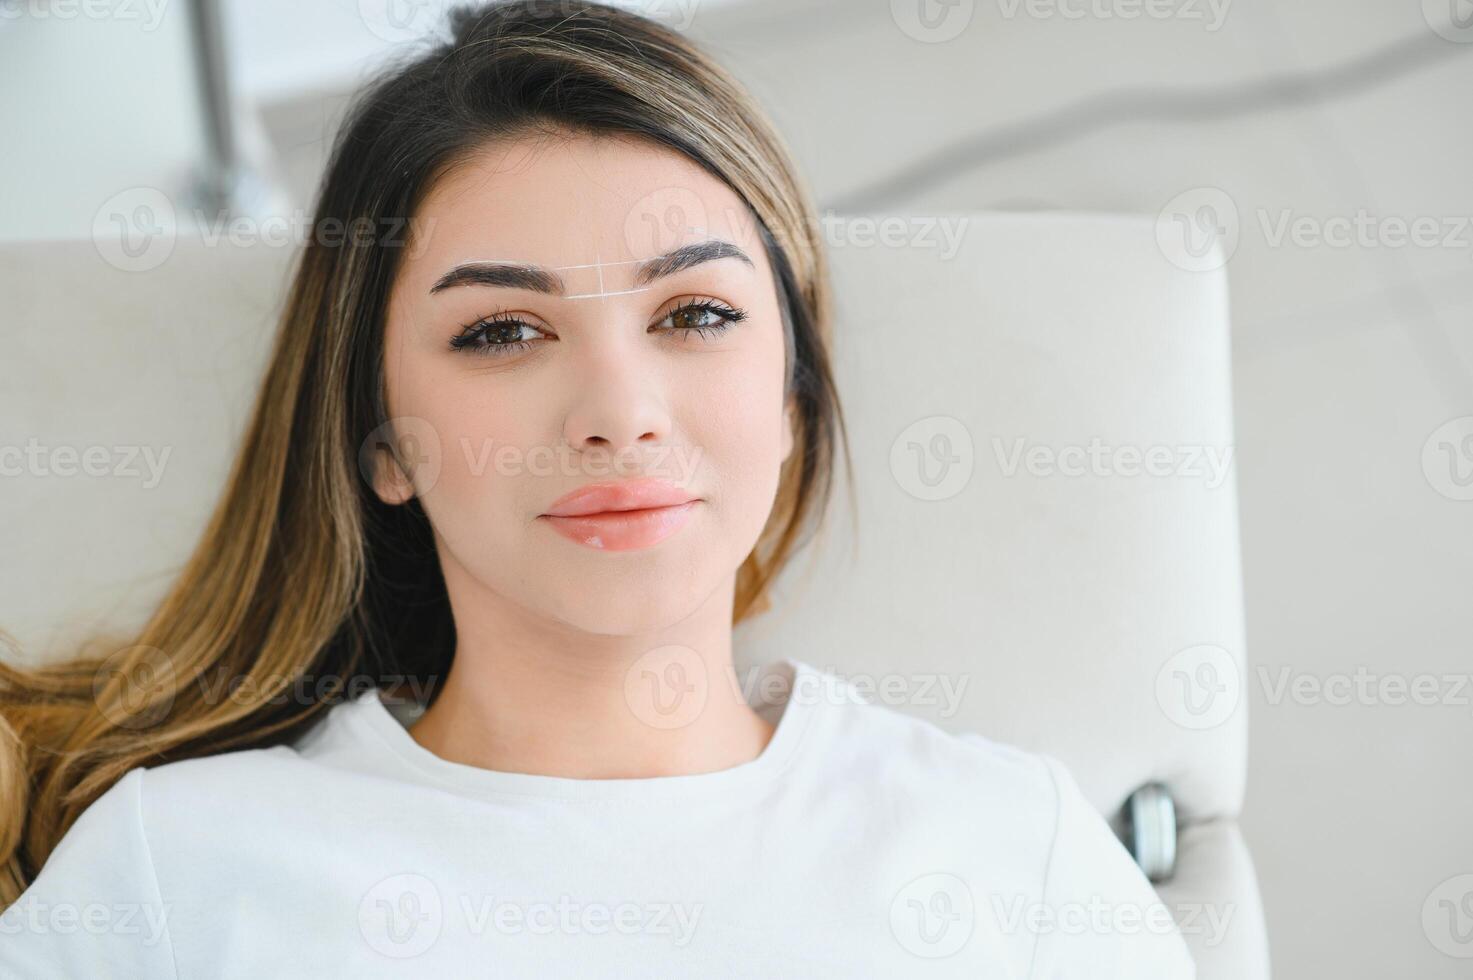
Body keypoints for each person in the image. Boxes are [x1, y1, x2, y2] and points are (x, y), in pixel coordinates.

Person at [0, 2, 1196, 975]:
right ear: (383, 445)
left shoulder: (1011, 855)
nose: (617, 410)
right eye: (504, 331)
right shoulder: (173, 874)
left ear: (791, 399)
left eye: (697, 314)